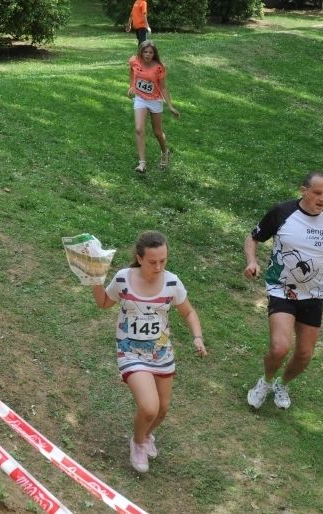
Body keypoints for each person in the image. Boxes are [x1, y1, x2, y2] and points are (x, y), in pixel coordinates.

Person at [92, 231, 207, 473]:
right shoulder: (123, 279)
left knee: (163, 409)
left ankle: (145, 435)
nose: (158, 266)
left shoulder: (172, 283)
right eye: (153, 261)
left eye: (163, 261)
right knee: (149, 407)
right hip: (130, 352)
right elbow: (103, 303)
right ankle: (138, 442)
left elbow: (188, 312)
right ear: (139, 258)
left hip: (161, 354)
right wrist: (94, 279)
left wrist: (197, 337)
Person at [243, 171, 323, 410]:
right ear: (303, 191)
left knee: (304, 354)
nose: (322, 199)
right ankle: (266, 381)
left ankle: (283, 384)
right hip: (282, 290)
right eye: (317, 193)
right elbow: (252, 238)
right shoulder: (282, 213)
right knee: (280, 347)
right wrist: (251, 261)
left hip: (314, 295)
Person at [127, 40, 180, 174]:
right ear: (141, 51)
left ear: (154, 54)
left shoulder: (159, 67)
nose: (148, 54)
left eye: (151, 52)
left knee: (157, 132)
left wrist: (170, 106)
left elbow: (163, 87)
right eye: (145, 52)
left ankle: (164, 152)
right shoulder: (134, 60)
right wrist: (132, 86)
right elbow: (132, 73)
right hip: (140, 98)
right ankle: (142, 163)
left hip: (155, 100)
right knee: (139, 129)